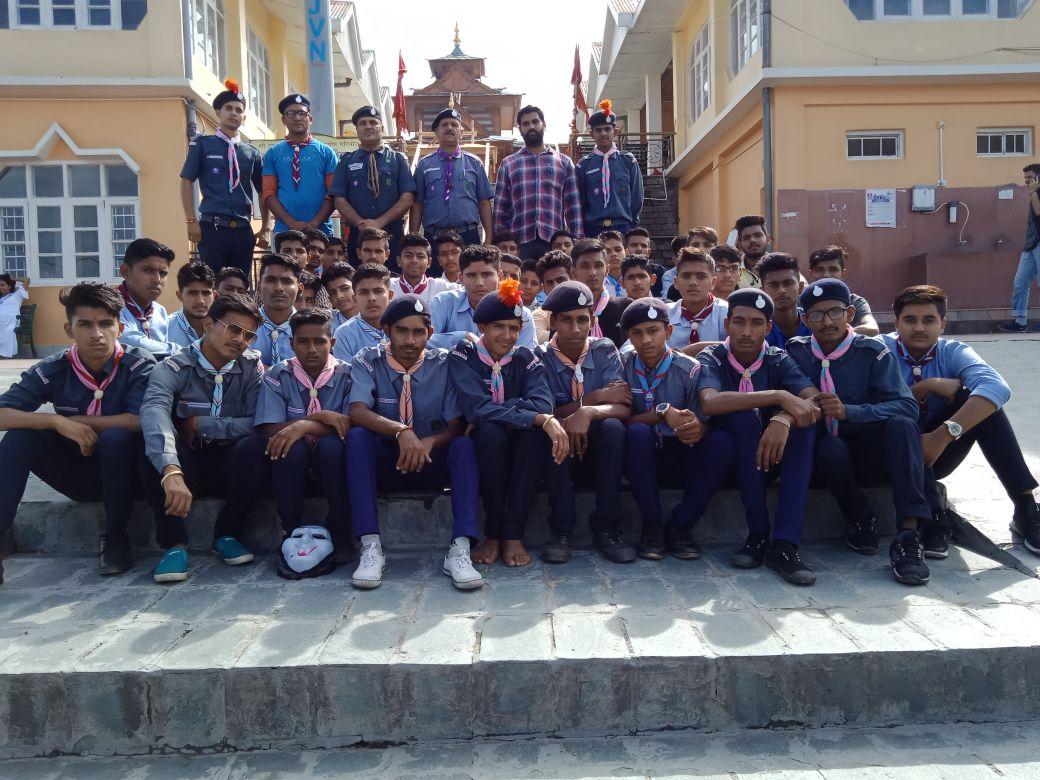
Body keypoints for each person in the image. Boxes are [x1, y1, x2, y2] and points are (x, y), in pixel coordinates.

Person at [0, 283, 155, 582]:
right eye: (85, 324)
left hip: (131, 478)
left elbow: (140, 420)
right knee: (20, 436)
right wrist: (57, 422)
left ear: (120, 328)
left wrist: (80, 422)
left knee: (117, 436)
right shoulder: (54, 368)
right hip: (80, 476)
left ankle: (115, 539)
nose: (96, 334)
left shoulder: (138, 365)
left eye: (105, 324)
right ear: (69, 330)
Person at [785, 279, 932, 586]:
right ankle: (859, 516)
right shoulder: (796, 352)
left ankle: (908, 534)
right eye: (817, 315)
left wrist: (852, 411)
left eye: (835, 312)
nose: (827, 322)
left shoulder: (873, 353)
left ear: (850, 313)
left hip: (870, 447)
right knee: (829, 448)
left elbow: (906, 406)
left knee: (903, 426)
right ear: (805, 319)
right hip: (827, 455)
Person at [884, 285, 1040, 557]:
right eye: (910, 320)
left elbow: (997, 387)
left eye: (929, 320)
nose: (919, 328)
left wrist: (941, 436)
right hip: (889, 453)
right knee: (897, 419)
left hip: (939, 452)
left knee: (980, 402)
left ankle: (1025, 508)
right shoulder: (879, 350)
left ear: (943, 324)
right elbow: (869, 406)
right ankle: (932, 519)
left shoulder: (953, 352)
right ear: (896, 322)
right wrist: (925, 387)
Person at [346, 294, 484, 590]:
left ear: (430, 334)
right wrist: (401, 431)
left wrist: (431, 441)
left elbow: (457, 423)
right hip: (388, 462)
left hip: (431, 461)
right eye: (402, 331)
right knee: (357, 438)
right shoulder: (367, 361)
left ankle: (460, 548)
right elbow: (357, 411)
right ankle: (370, 546)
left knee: (463, 445)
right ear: (386, 330)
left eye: (419, 332)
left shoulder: (443, 364)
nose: (411, 340)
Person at [140, 293, 269, 583]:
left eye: (249, 335)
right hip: (187, 465)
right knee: (153, 443)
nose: (241, 340)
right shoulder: (173, 367)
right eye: (233, 329)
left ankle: (228, 533)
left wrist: (204, 424)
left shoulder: (251, 368)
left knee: (256, 445)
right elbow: (154, 410)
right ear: (209, 324)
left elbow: (257, 422)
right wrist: (170, 469)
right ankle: (174, 545)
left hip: (229, 464)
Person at [696, 289, 821, 585]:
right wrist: (777, 396)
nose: (747, 331)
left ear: (768, 327)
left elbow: (814, 400)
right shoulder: (712, 356)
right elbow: (710, 401)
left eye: (756, 323)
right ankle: (758, 533)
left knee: (804, 427)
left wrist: (784, 417)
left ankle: (785, 544)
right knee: (743, 416)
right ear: (727, 325)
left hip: (771, 456)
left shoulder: (778, 358)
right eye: (739, 322)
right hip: (726, 461)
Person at [447, 279, 561, 567]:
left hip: (521, 443)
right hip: (486, 445)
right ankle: (494, 533)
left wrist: (514, 412)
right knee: (490, 433)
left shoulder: (527, 358)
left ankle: (513, 533)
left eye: (513, 328)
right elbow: (475, 409)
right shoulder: (464, 355)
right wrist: (531, 415)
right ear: (482, 327)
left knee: (534, 436)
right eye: (499, 326)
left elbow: (543, 404)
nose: (507, 335)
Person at [620, 298, 735, 560]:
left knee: (722, 443)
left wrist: (698, 428)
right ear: (628, 336)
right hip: (643, 457)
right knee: (636, 434)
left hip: (684, 449)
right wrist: (661, 414)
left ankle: (681, 526)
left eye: (653, 331)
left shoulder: (690, 369)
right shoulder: (623, 366)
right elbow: (624, 421)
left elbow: (704, 421)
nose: (646, 340)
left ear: (668, 332)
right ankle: (652, 526)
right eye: (637, 333)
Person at [535, 281, 636, 564]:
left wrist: (588, 412)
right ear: (553, 321)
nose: (576, 328)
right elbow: (544, 411)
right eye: (566, 320)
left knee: (614, 428)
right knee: (550, 432)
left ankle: (607, 527)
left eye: (583, 320)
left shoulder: (604, 350)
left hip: (599, 453)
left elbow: (623, 406)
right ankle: (561, 529)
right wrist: (591, 399)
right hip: (558, 456)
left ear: (592, 320)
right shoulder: (539, 357)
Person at [255, 309, 353, 559]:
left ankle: (342, 534)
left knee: (332, 447)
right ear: (291, 343)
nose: (312, 349)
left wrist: (304, 426)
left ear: (331, 343)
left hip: (331, 458)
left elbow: (346, 425)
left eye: (320, 341)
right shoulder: (277, 375)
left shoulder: (347, 375)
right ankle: (291, 531)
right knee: (290, 445)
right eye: (303, 341)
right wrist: (316, 418)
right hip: (292, 461)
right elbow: (269, 427)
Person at [180, 78, 269, 276]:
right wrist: (191, 221)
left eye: (239, 110)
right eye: (229, 108)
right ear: (219, 112)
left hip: (242, 229)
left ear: (244, 117)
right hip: (213, 227)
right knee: (212, 282)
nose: (234, 113)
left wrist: (265, 227)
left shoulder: (251, 153)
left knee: (240, 284)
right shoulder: (203, 145)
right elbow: (186, 180)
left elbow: (263, 192)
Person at [494, 105, 583, 260]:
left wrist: (576, 239)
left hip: (554, 241)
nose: (531, 126)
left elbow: (573, 205)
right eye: (526, 124)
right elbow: (500, 208)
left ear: (544, 124)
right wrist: (500, 242)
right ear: (520, 128)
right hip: (519, 242)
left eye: (535, 121)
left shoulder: (563, 162)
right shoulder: (508, 164)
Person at [331, 105, 416, 267]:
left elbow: (407, 198)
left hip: (391, 233)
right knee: (359, 279)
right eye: (362, 123)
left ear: (382, 128)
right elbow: (339, 199)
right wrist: (361, 224)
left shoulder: (398, 160)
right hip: (358, 233)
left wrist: (380, 222)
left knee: (393, 279)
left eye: (373, 122)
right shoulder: (347, 161)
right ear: (357, 129)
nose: (368, 126)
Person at [410, 108, 494, 247]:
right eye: (444, 125)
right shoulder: (423, 165)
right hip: (434, 237)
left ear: (461, 132)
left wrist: (489, 237)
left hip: (468, 236)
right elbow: (417, 204)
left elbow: (484, 202)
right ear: (436, 132)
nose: (449, 128)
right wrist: (413, 237)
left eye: (454, 125)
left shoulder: (475, 163)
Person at [429, 245, 537, 350]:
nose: (479, 283)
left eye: (486, 275)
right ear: (461, 278)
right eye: (471, 275)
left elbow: (526, 357)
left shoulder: (522, 314)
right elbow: (423, 341)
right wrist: (461, 338)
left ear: (500, 276)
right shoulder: (442, 303)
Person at [262, 93, 338, 236]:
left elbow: (333, 193)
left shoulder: (327, 152)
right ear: (283, 120)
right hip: (284, 230)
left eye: (302, 113)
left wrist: (315, 223)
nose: (297, 117)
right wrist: (291, 223)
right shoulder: (272, 153)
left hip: (320, 231)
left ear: (310, 119)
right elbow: (268, 194)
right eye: (291, 113)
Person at [576, 100, 643, 239]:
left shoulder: (628, 161)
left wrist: (632, 224)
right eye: (598, 130)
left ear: (615, 132)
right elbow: (580, 200)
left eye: (607, 129)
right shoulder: (584, 165)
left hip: (623, 227)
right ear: (591, 134)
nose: (603, 133)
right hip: (593, 228)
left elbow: (637, 196)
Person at [117, 238, 177, 357]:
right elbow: (133, 344)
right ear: (125, 271)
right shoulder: (110, 307)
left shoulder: (160, 311)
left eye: (163, 273)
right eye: (148, 270)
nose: (157, 280)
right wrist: (187, 351)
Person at [1000, 163, 1040, 332]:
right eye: (1025, 178)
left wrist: (1033, 192)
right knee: (1020, 282)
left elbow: (1038, 211)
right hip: (1030, 245)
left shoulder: (1035, 193)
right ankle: (1020, 321)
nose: (1027, 181)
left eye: (1030, 177)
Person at [570, 238, 631, 348]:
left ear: (607, 270)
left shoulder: (625, 307)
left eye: (598, 266)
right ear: (573, 273)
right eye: (585, 266)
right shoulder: (566, 310)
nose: (592, 273)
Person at [667, 248, 729, 354]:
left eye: (701, 276)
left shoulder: (727, 312)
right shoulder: (665, 313)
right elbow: (630, 348)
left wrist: (693, 350)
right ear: (676, 283)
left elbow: (747, 345)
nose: (693, 282)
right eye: (686, 276)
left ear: (713, 282)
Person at [807, 246, 879, 336]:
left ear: (843, 274)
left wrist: (839, 334)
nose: (826, 275)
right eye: (820, 270)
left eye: (833, 269)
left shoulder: (855, 302)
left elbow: (872, 329)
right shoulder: (802, 302)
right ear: (811, 274)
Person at [332, 263, 390, 361]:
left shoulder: (404, 326)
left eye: (378, 291)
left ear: (391, 295)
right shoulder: (343, 334)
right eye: (364, 292)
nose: (371, 298)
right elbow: (347, 374)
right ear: (355, 299)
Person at [254, 253, 301, 366]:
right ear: (259, 287)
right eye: (270, 280)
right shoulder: (244, 328)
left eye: (287, 281)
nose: (279, 288)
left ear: (300, 289)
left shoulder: (309, 329)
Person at [758, 252, 810, 349]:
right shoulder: (757, 328)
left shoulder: (815, 323)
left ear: (801, 287)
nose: (781, 290)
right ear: (763, 292)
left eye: (788, 283)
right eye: (773, 285)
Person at [390, 233, 460, 304]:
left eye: (420, 256)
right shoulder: (388, 286)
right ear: (399, 261)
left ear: (429, 262)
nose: (414, 260)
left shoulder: (442, 287)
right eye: (408, 256)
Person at [168, 262, 216, 349]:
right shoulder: (166, 328)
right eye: (193, 293)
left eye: (206, 293)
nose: (200, 300)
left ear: (214, 295)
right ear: (179, 296)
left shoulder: (223, 328)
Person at [662, 227, 718, 300]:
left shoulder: (726, 275)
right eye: (695, 245)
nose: (701, 249)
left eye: (707, 245)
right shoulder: (674, 290)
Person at [532, 250, 574, 344]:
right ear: (543, 288)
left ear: (573, 277)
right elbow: (537, 338)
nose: (556, 287)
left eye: (561, 280)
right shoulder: (538, 315)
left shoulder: (591, 308)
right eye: (549, 283)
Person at [624, 227, 665, 296]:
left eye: (643, 246)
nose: (639, 249)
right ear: (626, 251)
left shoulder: (660, 273)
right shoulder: (618, 273)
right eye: (634, 245)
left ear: (649, 252)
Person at [734, 215, 768, 289]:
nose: (752, 240)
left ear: (768, 239)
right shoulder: (732, 270)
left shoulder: (784, 266)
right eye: (746, 238)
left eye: (758, 235)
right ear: (739, 244)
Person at [321, 261, 357, 331]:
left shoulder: (375, 316)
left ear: (357, 288)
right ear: (329, 299)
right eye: (333, 292)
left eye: (345, 288)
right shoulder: (325, 322)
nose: (339, 296)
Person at [0, 274, 28, 358]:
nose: (1, 287)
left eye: (3, 285)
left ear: (9, 286)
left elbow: (27, 280)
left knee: (8, 331)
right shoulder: (1, 298)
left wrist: (13, 278)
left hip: (10, 322)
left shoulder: (17, 295)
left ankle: (5, 355)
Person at [599, 229, 626, 296]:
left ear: (627, 252)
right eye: (607, 251)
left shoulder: (634, 279)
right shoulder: (596, 282)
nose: (614, 254)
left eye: (618, 250)